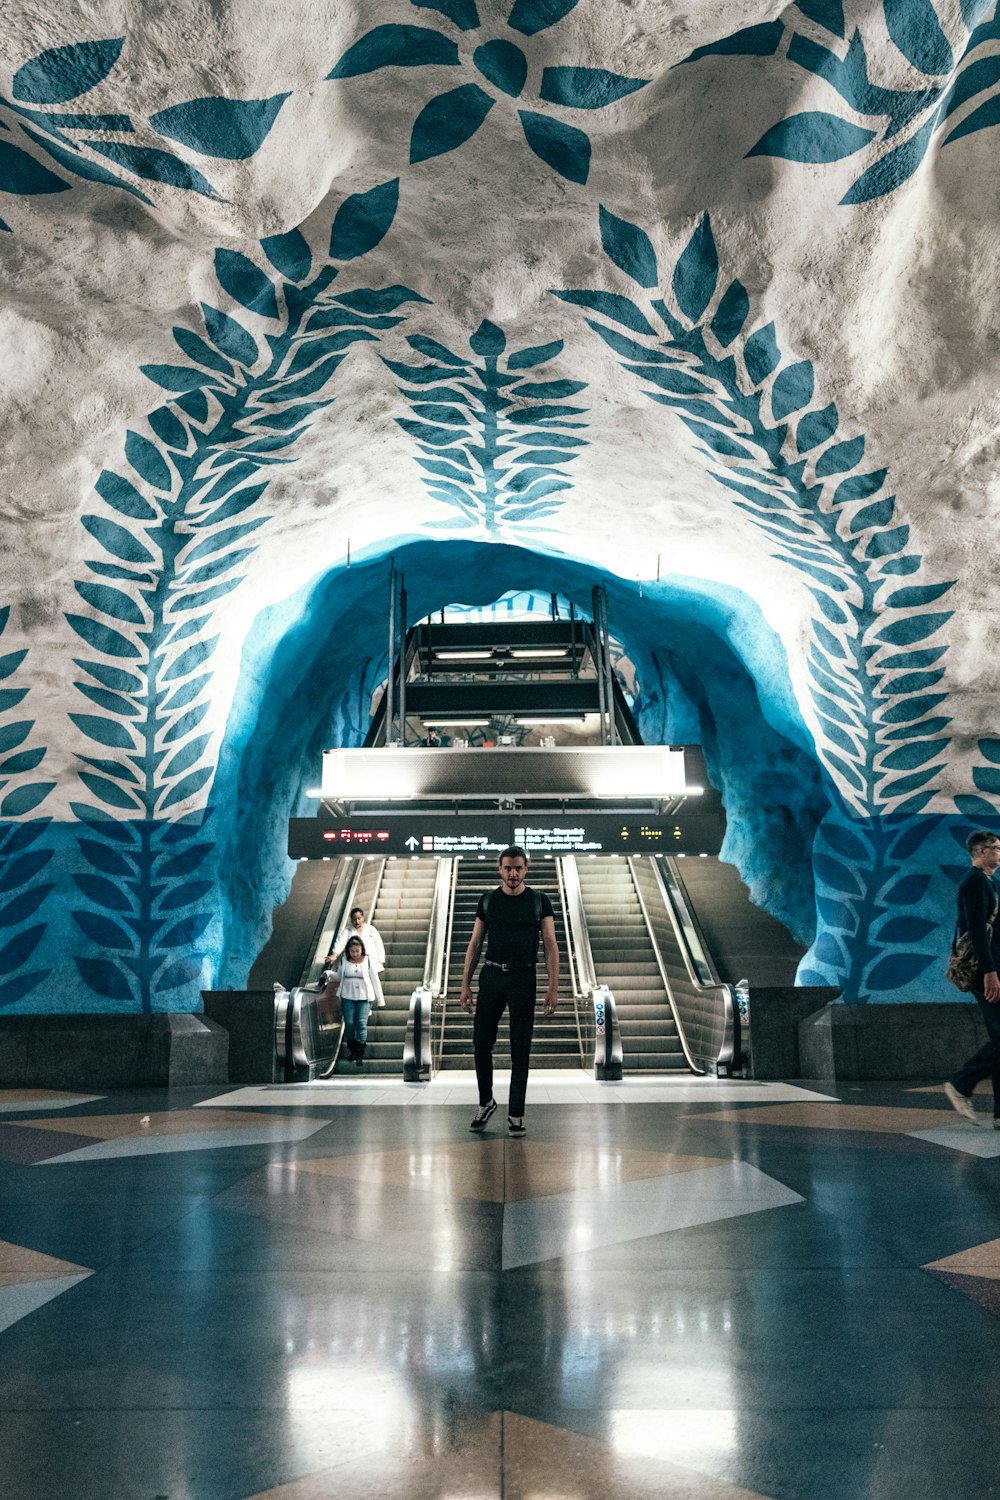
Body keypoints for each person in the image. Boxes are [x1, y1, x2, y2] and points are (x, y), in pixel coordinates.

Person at [460, 845, 559, 1137]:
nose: (513, 873)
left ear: (526, 869)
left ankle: (516, 1113)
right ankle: (486, 1101)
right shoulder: (488, 900)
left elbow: (551, 945)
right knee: (480, 1043)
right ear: (499, 869)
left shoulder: (540, 902)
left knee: (520, 1049)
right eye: (507, 868)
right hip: (491, 975)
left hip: (523, 978)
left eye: (518, 868)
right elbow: (476, 943)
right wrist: (465, 983)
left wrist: (553, 987)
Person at [943, 829, 1000, 1126]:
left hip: (994, 968)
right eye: (995, 848)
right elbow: (977, 931)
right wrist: (990, 973)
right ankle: (961, 1084)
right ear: (979, 852)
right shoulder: (974, 883)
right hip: (985, 971)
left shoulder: (990, 882)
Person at [327, 934, 384, 1067]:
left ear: (362, 949)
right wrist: (329, 975)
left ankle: (360, 1052)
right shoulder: (344, 960)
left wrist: (380, 1000)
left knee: (361, 1023)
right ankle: (352, 1049)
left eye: (357, 951)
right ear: (348, 951)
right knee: (350, 1023)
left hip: (364, 996)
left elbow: (375, 980)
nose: (355, 954)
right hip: (348, 995)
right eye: (352, 951)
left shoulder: (368, 961)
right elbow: (339, 976)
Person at [328, 905, 385, 973]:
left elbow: (379, 945)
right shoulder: (347, 931)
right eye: (354, 919)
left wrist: (380, 960)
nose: (357, 921)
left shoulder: (371, 929)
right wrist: (335, 954)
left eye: (359, 918)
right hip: (353, 961)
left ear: (363, 918)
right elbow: (340, 943)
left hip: (370, 961)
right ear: (351, 920)